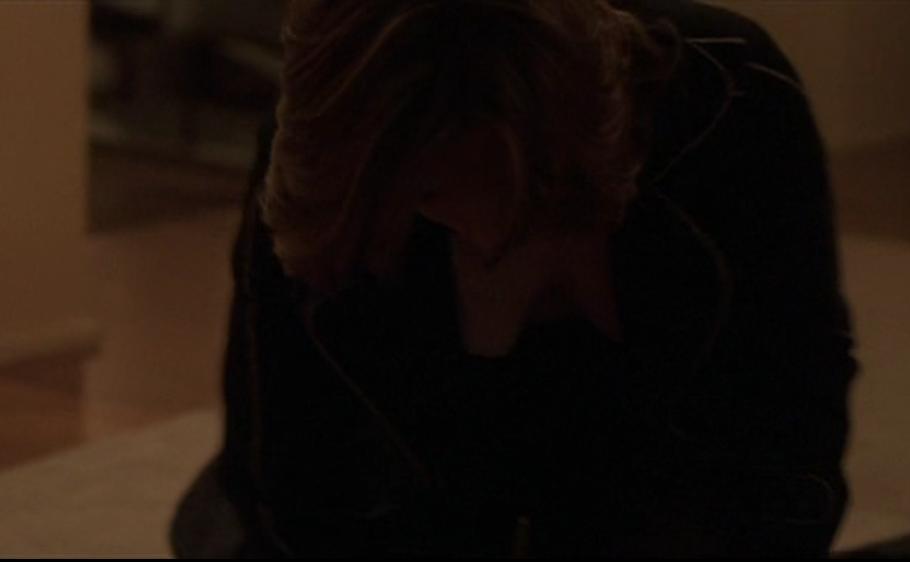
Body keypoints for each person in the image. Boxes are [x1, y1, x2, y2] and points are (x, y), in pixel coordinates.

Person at [171, 0, 859, 557]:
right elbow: (284, 464)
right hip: (405, 517)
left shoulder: (730, 97)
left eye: (522, 187)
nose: (478, 234)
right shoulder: (331, 163)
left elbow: (793, 421)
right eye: (430, 194)